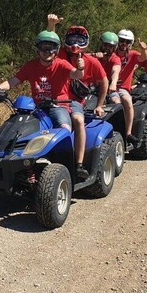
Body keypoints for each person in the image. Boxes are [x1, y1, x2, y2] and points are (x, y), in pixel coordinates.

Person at [0, 30, 86, 171]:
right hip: (36, 108)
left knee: (64, 130)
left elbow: (76, 75)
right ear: (38, 48)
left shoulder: (62, 64)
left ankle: (75, 164)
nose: (47, 51)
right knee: (18, 130)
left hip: (58, 106)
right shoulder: (31, 65)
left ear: (57, 50)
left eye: (51, 47)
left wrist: (80, 68)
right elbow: (14, 81)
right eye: (44, 47)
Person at [46, 15, 108, 179]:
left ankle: (78, 164)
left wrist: (100, 105)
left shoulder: (91, 62)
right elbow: (49, 44)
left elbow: (104, 82)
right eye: (72, 38)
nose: (75, 43)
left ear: (85, 42)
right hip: (52, 99)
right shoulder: (59, 57)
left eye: (79, 39)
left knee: (78, 121)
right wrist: (51, 25)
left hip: (74, 102)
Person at [113, 29, 147, 145]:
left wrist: (143, 49)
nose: (124, 43)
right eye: (122, 40)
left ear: (131, 43)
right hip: (109, 86)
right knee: (115, 102)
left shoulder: (132, 54)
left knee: (127, 101)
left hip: (123, 87)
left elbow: (144, 58)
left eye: (127, 41)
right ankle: (116, 130)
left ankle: (128, 133)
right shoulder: (112, 53)